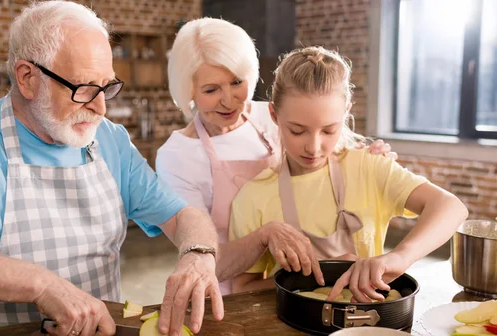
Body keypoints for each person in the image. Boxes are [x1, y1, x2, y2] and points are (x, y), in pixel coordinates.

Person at [0, 1, 223, 336]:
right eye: (83, 89)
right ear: (28, 78)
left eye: (107, 87)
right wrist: (42, 285)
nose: (100, 108)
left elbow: (182, 216)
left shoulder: (111, 141)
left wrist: (199, 254)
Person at [156, 18, 397, 294]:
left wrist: (368, 158)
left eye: (237, 82)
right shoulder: (176, 158)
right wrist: (264, 236)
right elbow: (198, 260)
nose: (229, 100)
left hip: (283, 284)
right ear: (187, 89)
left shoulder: (271, 116)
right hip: (224, 295)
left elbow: (328, 152)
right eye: (211, 90)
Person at [229, 46, 468, 300]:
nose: (314, 146)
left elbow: (452, 207)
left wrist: (399, 257)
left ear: (346, 113)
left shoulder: (369, 167)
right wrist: (317, 278)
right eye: (297, 130)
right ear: (274, 115)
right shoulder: (254, 196)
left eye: (329, 130)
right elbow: (243, 287)